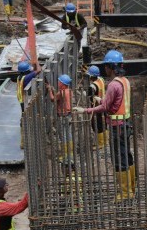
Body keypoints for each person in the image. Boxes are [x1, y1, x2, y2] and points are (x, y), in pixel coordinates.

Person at [75, 50, 135, 200]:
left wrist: (85, 110)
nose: (105, 70)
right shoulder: (125, 81)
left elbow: (106, 108)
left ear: (110, 67)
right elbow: (115, 103)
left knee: (119, 159)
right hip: (125, 122)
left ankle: (125, 193)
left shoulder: (113, 85)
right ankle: (132, 187)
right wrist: (100, 99)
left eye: (106, 66)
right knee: (127, 155)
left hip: (117, 126)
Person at [49, 74, 74, 162]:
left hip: (63, 116)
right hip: (69, 115)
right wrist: (53, 90)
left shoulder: (62, 92)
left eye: (59, 82)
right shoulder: (69, 91)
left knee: (64, 135)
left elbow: (53, 99)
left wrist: (49, 90)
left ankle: (66, 157)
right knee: (68, 134)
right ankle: (69, 155)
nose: (58, 83)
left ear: (63, 84)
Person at [86, 65, 107, 150]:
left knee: (96, 125)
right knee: (104, 123)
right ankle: (105, 141)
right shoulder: (101, 80)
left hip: (97, 107)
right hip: (104, 104)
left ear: (91, 76)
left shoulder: (92, 86)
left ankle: (101, 143)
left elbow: (89, 96)